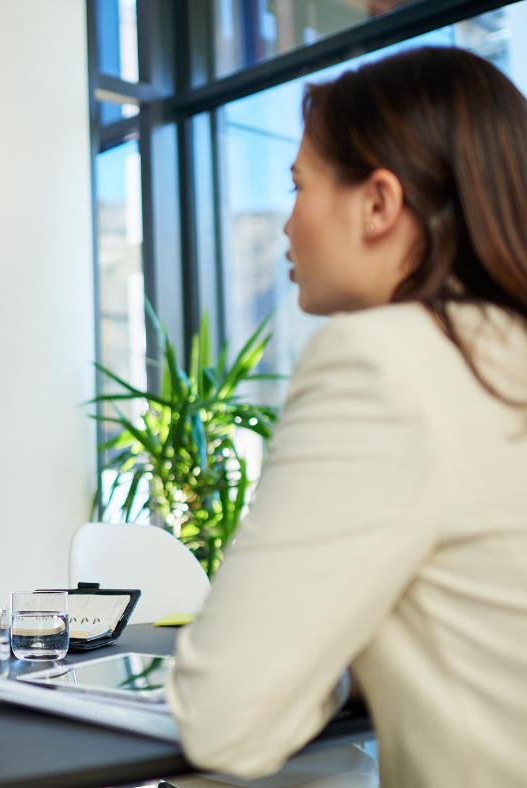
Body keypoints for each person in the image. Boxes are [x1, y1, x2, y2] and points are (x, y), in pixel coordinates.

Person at [168, 47, 527, 787]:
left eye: (299, 187)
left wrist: (315, 663)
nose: (287, 225)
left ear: (379, 204)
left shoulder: (383, 361)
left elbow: (224, 718)